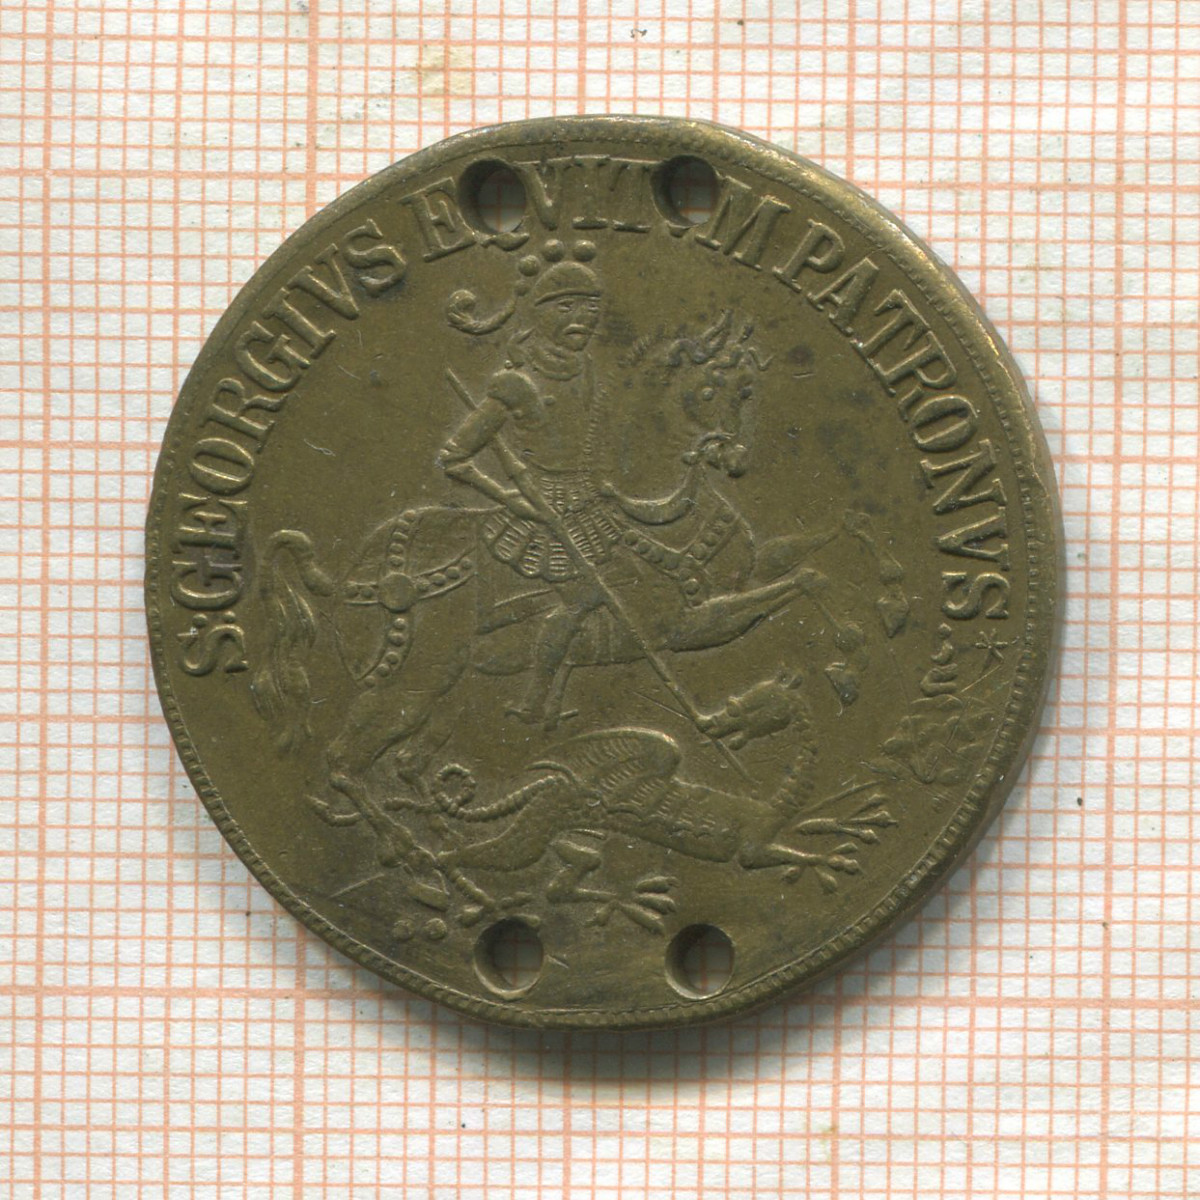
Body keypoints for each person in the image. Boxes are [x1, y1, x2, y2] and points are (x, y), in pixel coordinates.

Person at [438, 257, 622, 726]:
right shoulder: (515, 384)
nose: (582, 319)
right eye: (566, 307)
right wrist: (510, 499)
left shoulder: (588, 371)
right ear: (540, 313)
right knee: (583, 599)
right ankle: (535, 701)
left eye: (590, 308)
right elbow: (454, 457)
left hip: (587, 504)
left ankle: (555, 691)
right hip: (536, 511)